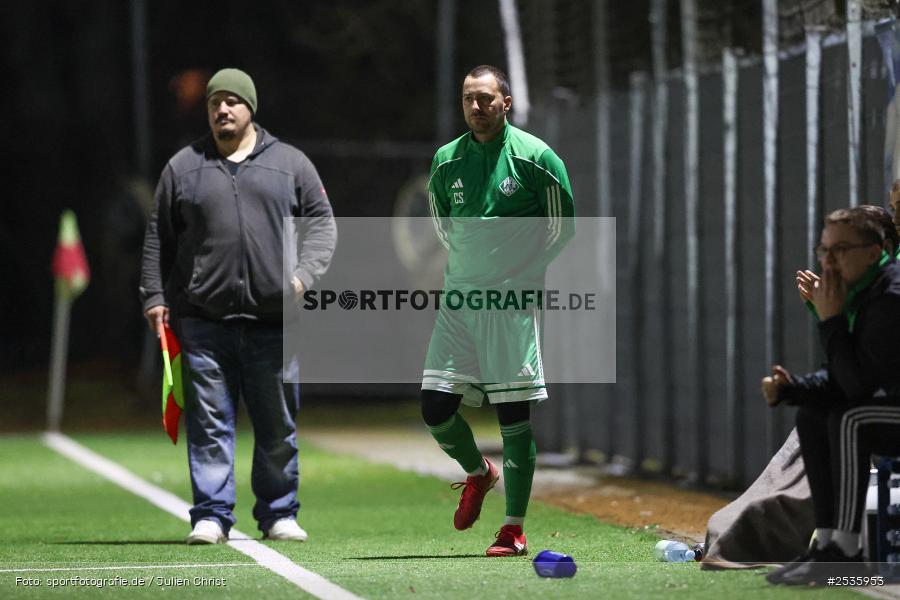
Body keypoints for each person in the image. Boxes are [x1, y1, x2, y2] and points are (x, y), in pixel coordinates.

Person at [140, 68, 336, 544]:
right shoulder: (183, 168)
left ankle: (278, 513)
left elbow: (324, 225)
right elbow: (157, 239)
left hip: (274, 322)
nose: (222, 110)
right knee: (209, 425)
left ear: (250, 108)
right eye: (214, 103)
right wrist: (153, 296)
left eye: (232, 101)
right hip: (204, 322)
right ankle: (211, 515)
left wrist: (304, 275)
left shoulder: (290, 163)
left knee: (277, 428)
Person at [422, 65, 575, 556]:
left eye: (485, 99)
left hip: (510, 305)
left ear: (505, 102)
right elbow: (443, 226)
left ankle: (513, 528)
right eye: (468, 99)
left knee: (513, 416)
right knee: (435, 408)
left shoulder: (536, 158)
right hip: (460, 302)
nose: (476, 108)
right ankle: (478, 472)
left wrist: (520, 275)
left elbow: (561, 226)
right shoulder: (446, 161)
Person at [761, 207, 900, 585]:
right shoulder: (862, 290)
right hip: (887, 406)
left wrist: (831, 320)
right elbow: (846, 376)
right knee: (814, 414)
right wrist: (794, 388)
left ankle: (847, 553)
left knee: (850, 419)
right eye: (823, 251)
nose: (828, 261)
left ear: (873, 252)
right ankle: (826, 546)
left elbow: (859, 388)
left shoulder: (890, 294)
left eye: (840, 250)